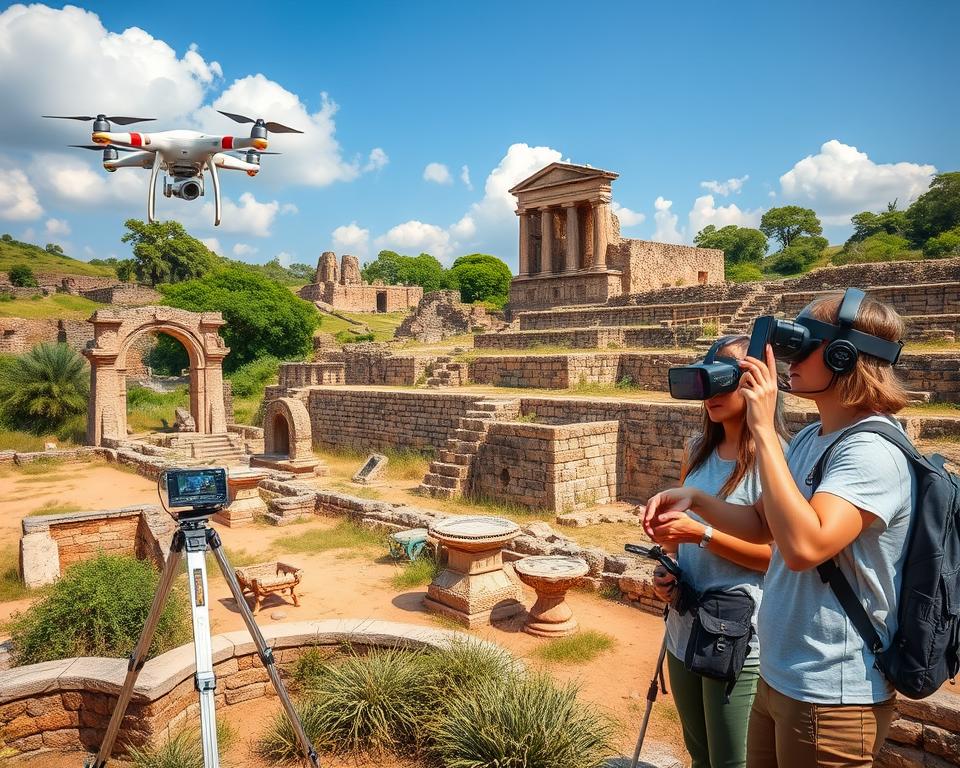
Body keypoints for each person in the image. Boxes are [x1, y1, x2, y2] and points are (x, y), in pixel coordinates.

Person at [644, 291, 913, 768]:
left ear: (842, 354)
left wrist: (764, 430)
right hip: (782, 671)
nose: (783, 359)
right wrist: (697, 500)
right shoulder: (814, 439)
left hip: (832, 685)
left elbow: (803, 547)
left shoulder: (872, 450)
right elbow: (761, 524)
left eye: (799, 345)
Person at [650, 334, 787, 768]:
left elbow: (780, 560)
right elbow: (678, 539)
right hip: (685, 624)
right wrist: (666, 558)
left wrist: (701, 535)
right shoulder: (698, 449)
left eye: (724, 380)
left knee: (731, 761)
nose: (712, 394)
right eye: (705, 382)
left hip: (738, 635)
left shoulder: (777, 458)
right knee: (699, 754)